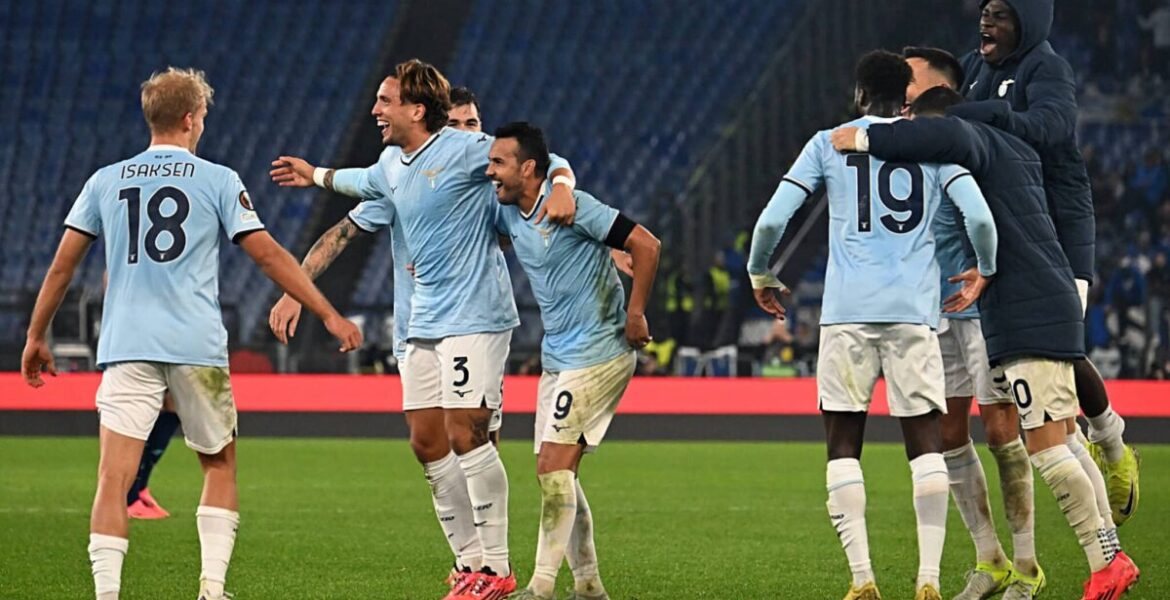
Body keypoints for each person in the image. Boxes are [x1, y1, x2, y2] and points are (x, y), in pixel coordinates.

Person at [19, 67, 362, 600]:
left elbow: (63, 266)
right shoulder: (217, 179)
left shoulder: (105, 180)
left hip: (126, 345)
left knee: (112, 478)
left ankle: (107, 595)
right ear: (188, 118)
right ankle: (211, 589)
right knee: (219, 464)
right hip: (195, 346)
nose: (202, 123)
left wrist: (35, 335)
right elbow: (267, 255)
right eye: (201, 115)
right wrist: (327, 312)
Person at [266, 59, 577, 599]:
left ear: (415, 110)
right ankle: (470, 562)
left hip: (475, 316)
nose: (375, 110)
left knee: (470, 435)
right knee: (427, 441)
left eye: (385, 101)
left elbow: (541, 162)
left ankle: (496, 569)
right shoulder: (392, 164)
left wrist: (563, 186)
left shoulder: (466, 153)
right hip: (421, 322)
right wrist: (313, 174)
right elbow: (352, 187)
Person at [832, 82, 1141, 598]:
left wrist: (863, 140)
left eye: (920, 125)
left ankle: (1108, 560)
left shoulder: (970, 137)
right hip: (1034, 303)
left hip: (1031, 310)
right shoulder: (1010, 150)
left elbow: (941, 138)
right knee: (1053, 442)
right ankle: (1105, 560)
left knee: (1050, 447)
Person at [748, 51, 999, 600]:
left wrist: (760, 271)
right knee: (927, 445)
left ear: (860, 95)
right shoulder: (932, 145)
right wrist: (985, 268)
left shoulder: (827, 143)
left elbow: (772, 220)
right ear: (906, 96)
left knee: (843, 445)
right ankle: (929, 579)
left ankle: (862, 578)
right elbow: (980, 218)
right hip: (914, 314)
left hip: (847, 314)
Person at [840, 48, 1045, 600]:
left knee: (1001, 432)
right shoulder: (913, 141)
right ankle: (990, 559)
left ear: (940, 86)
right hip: (935, 312)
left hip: (982, 310)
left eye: (912, 79)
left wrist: (988, 269)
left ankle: (1028, 566)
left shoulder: (961, 141)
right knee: (949, 435)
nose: (904, 92)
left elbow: (989, 216)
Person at [954, 0, 1140, 523]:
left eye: (1000, 14)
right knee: (1036, 363)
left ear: (1028, 22)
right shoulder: (972, 67)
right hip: (1007, 230)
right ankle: (1082, 451)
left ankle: (1112, 442)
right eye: (985, 11)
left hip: (1058, 229)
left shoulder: (1047, 67)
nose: (986, 21)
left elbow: (1051, 126)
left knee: (1058, 348)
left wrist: (976, 115)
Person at [484, 122, 660, 600]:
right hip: (559, 355)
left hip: (600, 349)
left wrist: (635, 312)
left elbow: (646, 244)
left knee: (553, 466)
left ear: (528, 169)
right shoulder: (510, 212)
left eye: (499, 163)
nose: (490, 171)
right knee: (556, 471)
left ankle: (541, 587)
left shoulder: (573, 206)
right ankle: (588, 586)